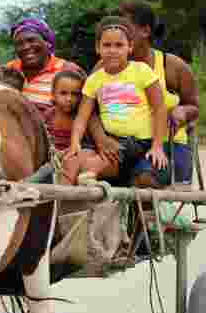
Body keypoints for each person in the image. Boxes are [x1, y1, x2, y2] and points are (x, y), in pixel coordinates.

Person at [86, 0, 199, 187]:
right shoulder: (102, 67)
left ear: (145, 31)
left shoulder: (172, 67)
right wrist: (101, 139)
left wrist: (183, 112)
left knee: (144, 179)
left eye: (125, 27)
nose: (118, 32)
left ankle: (147, 215)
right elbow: (90, 110)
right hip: (119, 146)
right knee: (84, 170)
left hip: (165, 145)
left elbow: (193, 106)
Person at [64, 17, 168, 187]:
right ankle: (62, 203)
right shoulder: (95, 80)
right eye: (107, 45)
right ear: (98, 48)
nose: (113, 50)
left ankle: (89, 177)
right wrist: (74, 142)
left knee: (95, 163)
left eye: (119, 45)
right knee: (75, 158)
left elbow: (159, 108)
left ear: (130, 47)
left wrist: (157, 146)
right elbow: (83, 116)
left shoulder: (141, 71)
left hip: (140, 141)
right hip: (112, 139)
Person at [5, 18, 85, 115]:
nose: (26, 47)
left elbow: (85, 112)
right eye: (19, 43)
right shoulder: (9, 70)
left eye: (31, 40)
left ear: (47, 43)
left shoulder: (69, 70)